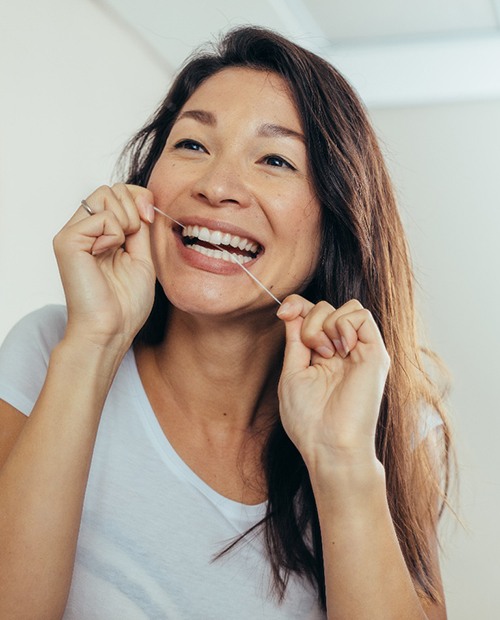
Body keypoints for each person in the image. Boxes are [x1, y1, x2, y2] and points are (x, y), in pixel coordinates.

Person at [0, 26, 452, 619]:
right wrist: (94, 343)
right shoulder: (49, 349)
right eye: (191, 145)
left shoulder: (392, 424)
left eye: (274, 159)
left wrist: (342, 460)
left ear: (337, 218)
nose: (215, 187)